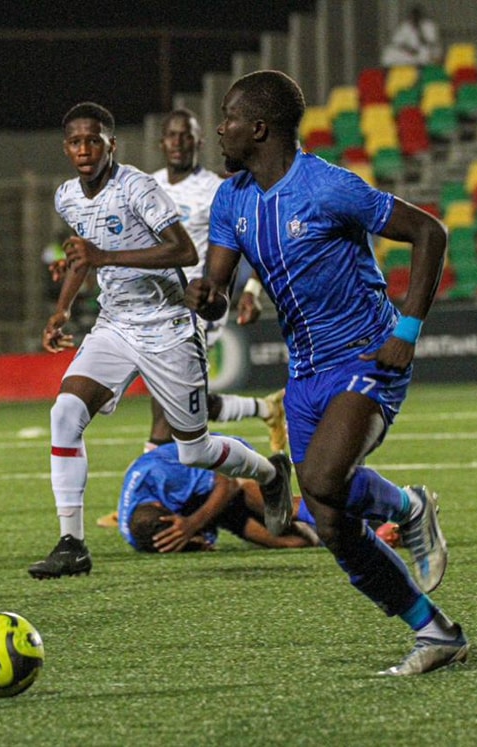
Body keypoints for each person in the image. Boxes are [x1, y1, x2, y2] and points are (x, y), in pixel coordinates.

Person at [186, 70, 467, 676]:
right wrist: (204, 294)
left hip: (366, 356)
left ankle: (407, 509)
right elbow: (218, 285)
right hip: (306, 374)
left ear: (258, 128)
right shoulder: (232, 198)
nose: (220, 128)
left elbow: (429, 232)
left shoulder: (327, 187)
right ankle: (434, 629)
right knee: (330, 520)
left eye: (230, 117)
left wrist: (407, 332)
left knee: (321, 479)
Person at [28, 101, 292, 580]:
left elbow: (183, 249)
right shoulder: (67, 196)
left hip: (169, 322)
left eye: (94, 140)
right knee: (65, 413)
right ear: (66, 148)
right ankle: (72, 543)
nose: (84, 150)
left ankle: (271, 474)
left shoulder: (137, 187)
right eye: (75, 142)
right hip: (115, 324)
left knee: (194, 449)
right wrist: (61, 309)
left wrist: (103, 256)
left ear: (111, 144)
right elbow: (83, 258)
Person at [148, 108, 286, 454]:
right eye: (172, 135)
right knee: (178, 399)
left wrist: (252, 289)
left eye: (187, 134)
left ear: (199, 141)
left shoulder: (216, 190)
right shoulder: (148, 187)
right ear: (161, 143)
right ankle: (266, 409)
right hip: (156, 307)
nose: (179, 142)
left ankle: (146, 488)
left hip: (201, 304)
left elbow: (259, 241)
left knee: (170, 406)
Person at [116, 439, 320, 553]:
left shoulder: (164, 478)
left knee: (259, 498)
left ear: (161, 505)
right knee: (281, 542)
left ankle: (325, 513)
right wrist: (194, 543)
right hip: (197, 497)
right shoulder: (138, 535)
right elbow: (172, 541)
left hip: (224, 460)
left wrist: (194, 524)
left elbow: (227, 483)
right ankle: (315, 536)